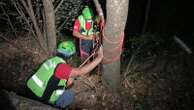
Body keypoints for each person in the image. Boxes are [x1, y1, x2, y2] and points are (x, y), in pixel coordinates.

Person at [26, 40, 103, 108]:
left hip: (29, 91)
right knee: (69, 95)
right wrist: (99, 58)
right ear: (70, 56)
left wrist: (67, 83)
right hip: (40, 98)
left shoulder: (52, 60)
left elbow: (52, 81)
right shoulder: (62, 67)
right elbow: (81, 71)